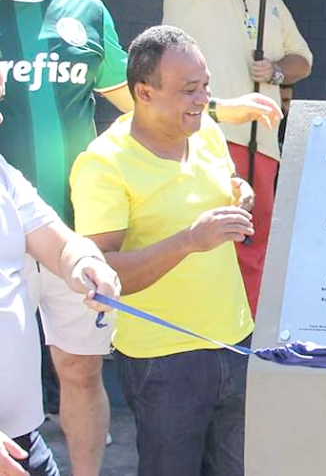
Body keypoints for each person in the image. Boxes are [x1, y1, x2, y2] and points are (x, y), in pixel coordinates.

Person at [70, 26, 259, 475]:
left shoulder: (206, 132)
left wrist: (239, 191)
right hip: (164, 361)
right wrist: (189, 241)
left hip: (234, 341)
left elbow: (219, 187)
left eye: (206, 85)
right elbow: (102, 276)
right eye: (189, 90)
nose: (203, 99)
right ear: (144, 92)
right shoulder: (104, 164)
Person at [163, 0, 314, 316]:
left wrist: (278, 72)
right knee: (201, 238)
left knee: (255, 243)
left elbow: (303, 60)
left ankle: (245, 337)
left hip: (261, 143)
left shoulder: (272, 1)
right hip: (200, 135)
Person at [0, 69, 121, 476]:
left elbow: (62, 244)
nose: (1, 116)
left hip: (22, 441)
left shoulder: (5, 177)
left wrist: (86, 264)